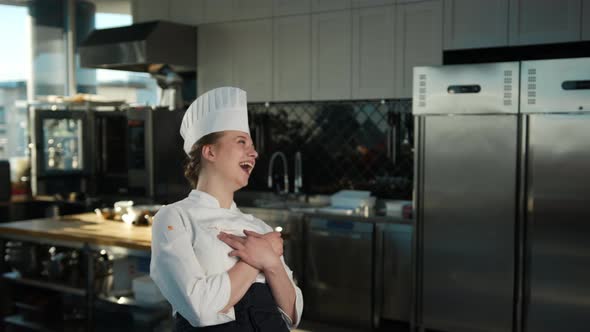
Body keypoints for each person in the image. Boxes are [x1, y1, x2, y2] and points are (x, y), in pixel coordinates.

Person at [150, 86, 303, 332]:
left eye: (252, 145)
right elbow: (199, 309)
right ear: (210, 151)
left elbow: (293, 314)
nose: (253, 153)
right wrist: (257, 260)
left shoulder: (258, 228)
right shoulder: (175, 217)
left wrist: (272, 264)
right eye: (241, 141)